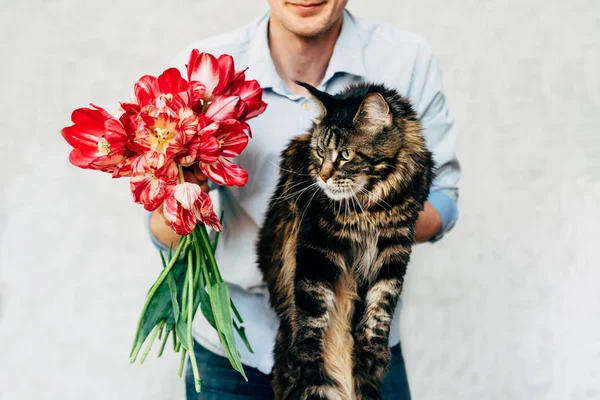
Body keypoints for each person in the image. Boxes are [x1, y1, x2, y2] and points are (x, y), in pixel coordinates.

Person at [148, 1, 460, 398]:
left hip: (360, 347)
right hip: (231, 350)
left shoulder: (406, 59)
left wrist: (368, 219)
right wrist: (186, 196)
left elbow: (443, 201)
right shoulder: (203, 70)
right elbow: (161, 231)